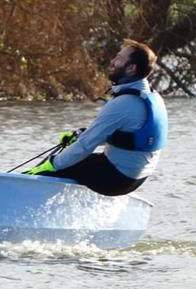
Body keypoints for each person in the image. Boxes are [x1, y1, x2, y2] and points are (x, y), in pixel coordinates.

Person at [23, 39, 168, 196]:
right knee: (73, 161)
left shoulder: (124, 103)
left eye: (119, 58)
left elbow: (85, 146)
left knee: (56, 164)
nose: (112, 61)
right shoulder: (152, 97)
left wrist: (52, 164)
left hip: (116, 179)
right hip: (136, 178)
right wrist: (80, 136)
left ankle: (20, 193)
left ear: (131, 68)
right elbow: (131, 137)